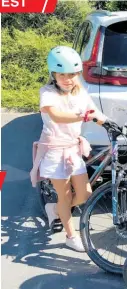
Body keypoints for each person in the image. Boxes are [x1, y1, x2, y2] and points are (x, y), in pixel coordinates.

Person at [30, 46, 108, 252]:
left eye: (72, 74)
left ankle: (54, 209)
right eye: (62, 74)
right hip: (55, 150)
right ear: (53, 74)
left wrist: (113, 125)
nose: (68, 79)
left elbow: (95, 113)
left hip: (73, 149)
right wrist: (83, 117)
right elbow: (56, 115)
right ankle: (71, 236)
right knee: (64, 195)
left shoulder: (81, 92)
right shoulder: (47, 93)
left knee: (84, 194)